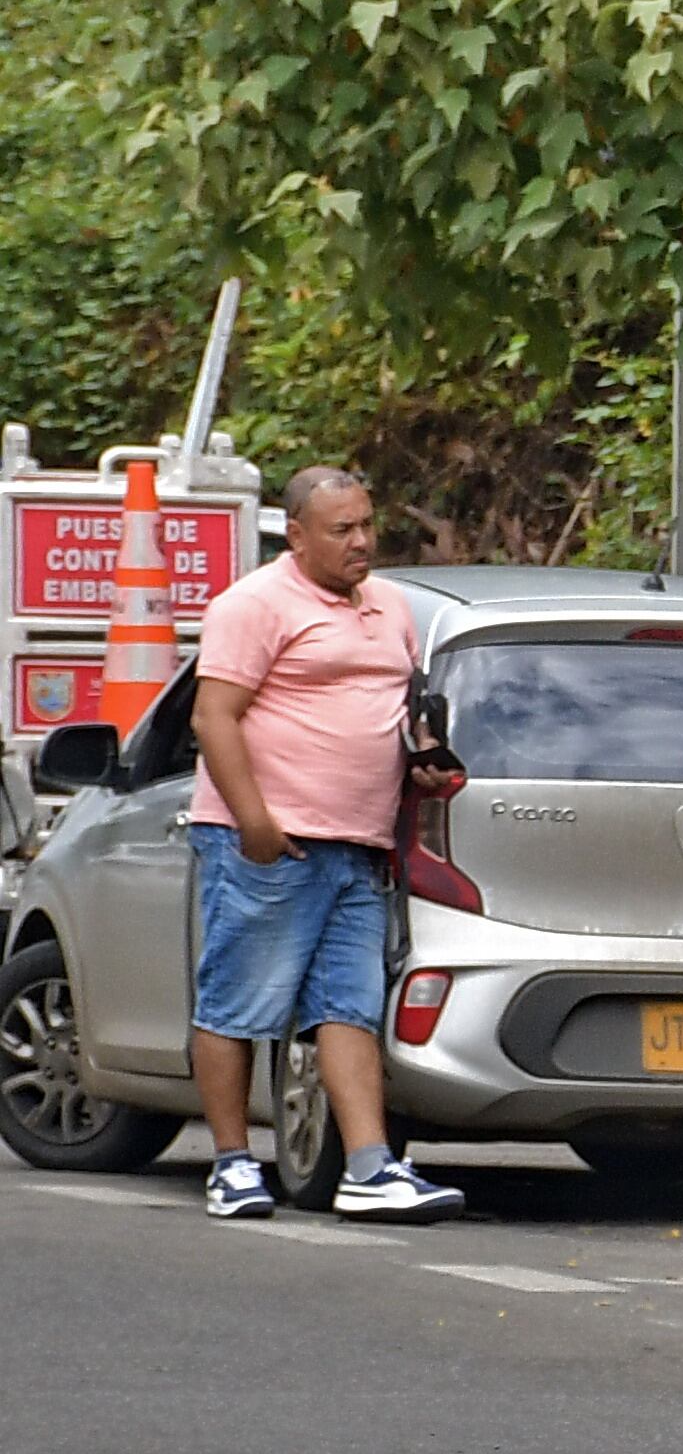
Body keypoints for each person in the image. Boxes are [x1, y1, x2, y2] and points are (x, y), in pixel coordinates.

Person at [182, 464, 465, 1223]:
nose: (362, 542)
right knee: (238, 1003)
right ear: (297, 534)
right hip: (277, 842)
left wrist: (423, 763)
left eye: (368, 524)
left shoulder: (390, 606)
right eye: (342, 530)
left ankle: (370, 1167)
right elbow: (214, 717)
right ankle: (233, 1165)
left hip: (359, 846)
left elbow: (400, 706)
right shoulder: (253, 604)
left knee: (349, 1008)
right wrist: (255, 822)